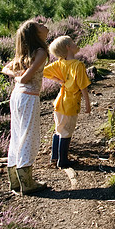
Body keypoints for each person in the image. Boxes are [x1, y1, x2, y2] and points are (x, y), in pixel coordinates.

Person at [2, 19, 50, 194]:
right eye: (40, 25)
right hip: (28, 97)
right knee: (29, 136)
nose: (45, 26)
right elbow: (24, 78)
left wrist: (15, 73)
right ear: (35, 34)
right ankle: (27, 182)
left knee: (17, 135)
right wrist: (18, 76)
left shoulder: (24, 53)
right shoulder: (41, 52)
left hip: (16, 96)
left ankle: (15, 180)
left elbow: (6, 68)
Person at [43, 35, 91, 169]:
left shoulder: (60, 63)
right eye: (73, 42)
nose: (76, 44)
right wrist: (87, 103)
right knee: (66, 131)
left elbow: (43, 71)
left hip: (59, 102)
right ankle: (63, 160)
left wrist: (58, 80)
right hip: (70, 103)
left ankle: (55, 156)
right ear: (68, 47)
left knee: (59, 129)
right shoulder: (78, 65)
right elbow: (83, 86)